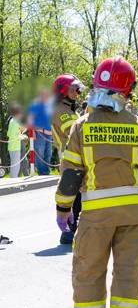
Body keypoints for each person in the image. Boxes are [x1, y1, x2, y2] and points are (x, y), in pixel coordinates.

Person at [55, 57, 138, 308]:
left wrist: (63, 209)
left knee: (88, 272)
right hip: (133, 215)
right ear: (127, 92)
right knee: (129, 273)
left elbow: (71, 175)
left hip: (95, 217)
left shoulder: (81, 127)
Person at [52, 74, 84, 244]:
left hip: (78, 157)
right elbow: (73, 130)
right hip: (70, 158)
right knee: (73, 195)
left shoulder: (70, 109)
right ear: (63, 91)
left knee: (78, 195)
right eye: (73, 89)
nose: (77, 92)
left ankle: (72, 231)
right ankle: (68, 232)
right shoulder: (60, 110)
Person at [28, 88, 53, 175]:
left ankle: (46, 172)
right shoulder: (35, 105)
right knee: (40, 154)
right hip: (39, 133)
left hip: (49, 133)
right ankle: (41, 173)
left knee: (48, 153)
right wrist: (33, 132)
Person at [5, 104, 27, 178]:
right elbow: (13, 135)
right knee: (15, 166)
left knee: (14, 165)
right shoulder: (15, 122)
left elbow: (9, 134)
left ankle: (13, 183)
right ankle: (14, 184)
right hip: (14, 147)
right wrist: (23, 136)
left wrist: (21, 131)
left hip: (13, 146)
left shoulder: (13, 120)